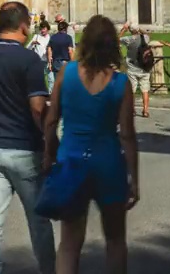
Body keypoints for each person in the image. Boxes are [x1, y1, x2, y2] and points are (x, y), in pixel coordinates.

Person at [44, 14, 139, 273]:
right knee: (116, 240)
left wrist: (48, 154)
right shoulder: (121, 83)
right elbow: (128, 134)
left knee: (69, 243)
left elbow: (51, 120)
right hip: (108, 162)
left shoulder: (67, 73)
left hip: (72, 160)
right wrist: (134, 177)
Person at [0, 1, 55, 274]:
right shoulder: (28, 59)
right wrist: (50, 143)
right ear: (25, 25)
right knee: (38, 219)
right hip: (23, 148)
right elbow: (38, 108)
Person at [120, 24, 151, 118]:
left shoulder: (128, 39)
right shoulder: (145, 38)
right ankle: (145, 110)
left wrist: (124, 29)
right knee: (145, 90)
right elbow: (149, 34)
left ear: (130, 30)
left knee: (132, 90)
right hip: (144, 68)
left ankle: (132, 110)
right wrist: (140, 29)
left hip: (132, 68)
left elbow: (117, 39)